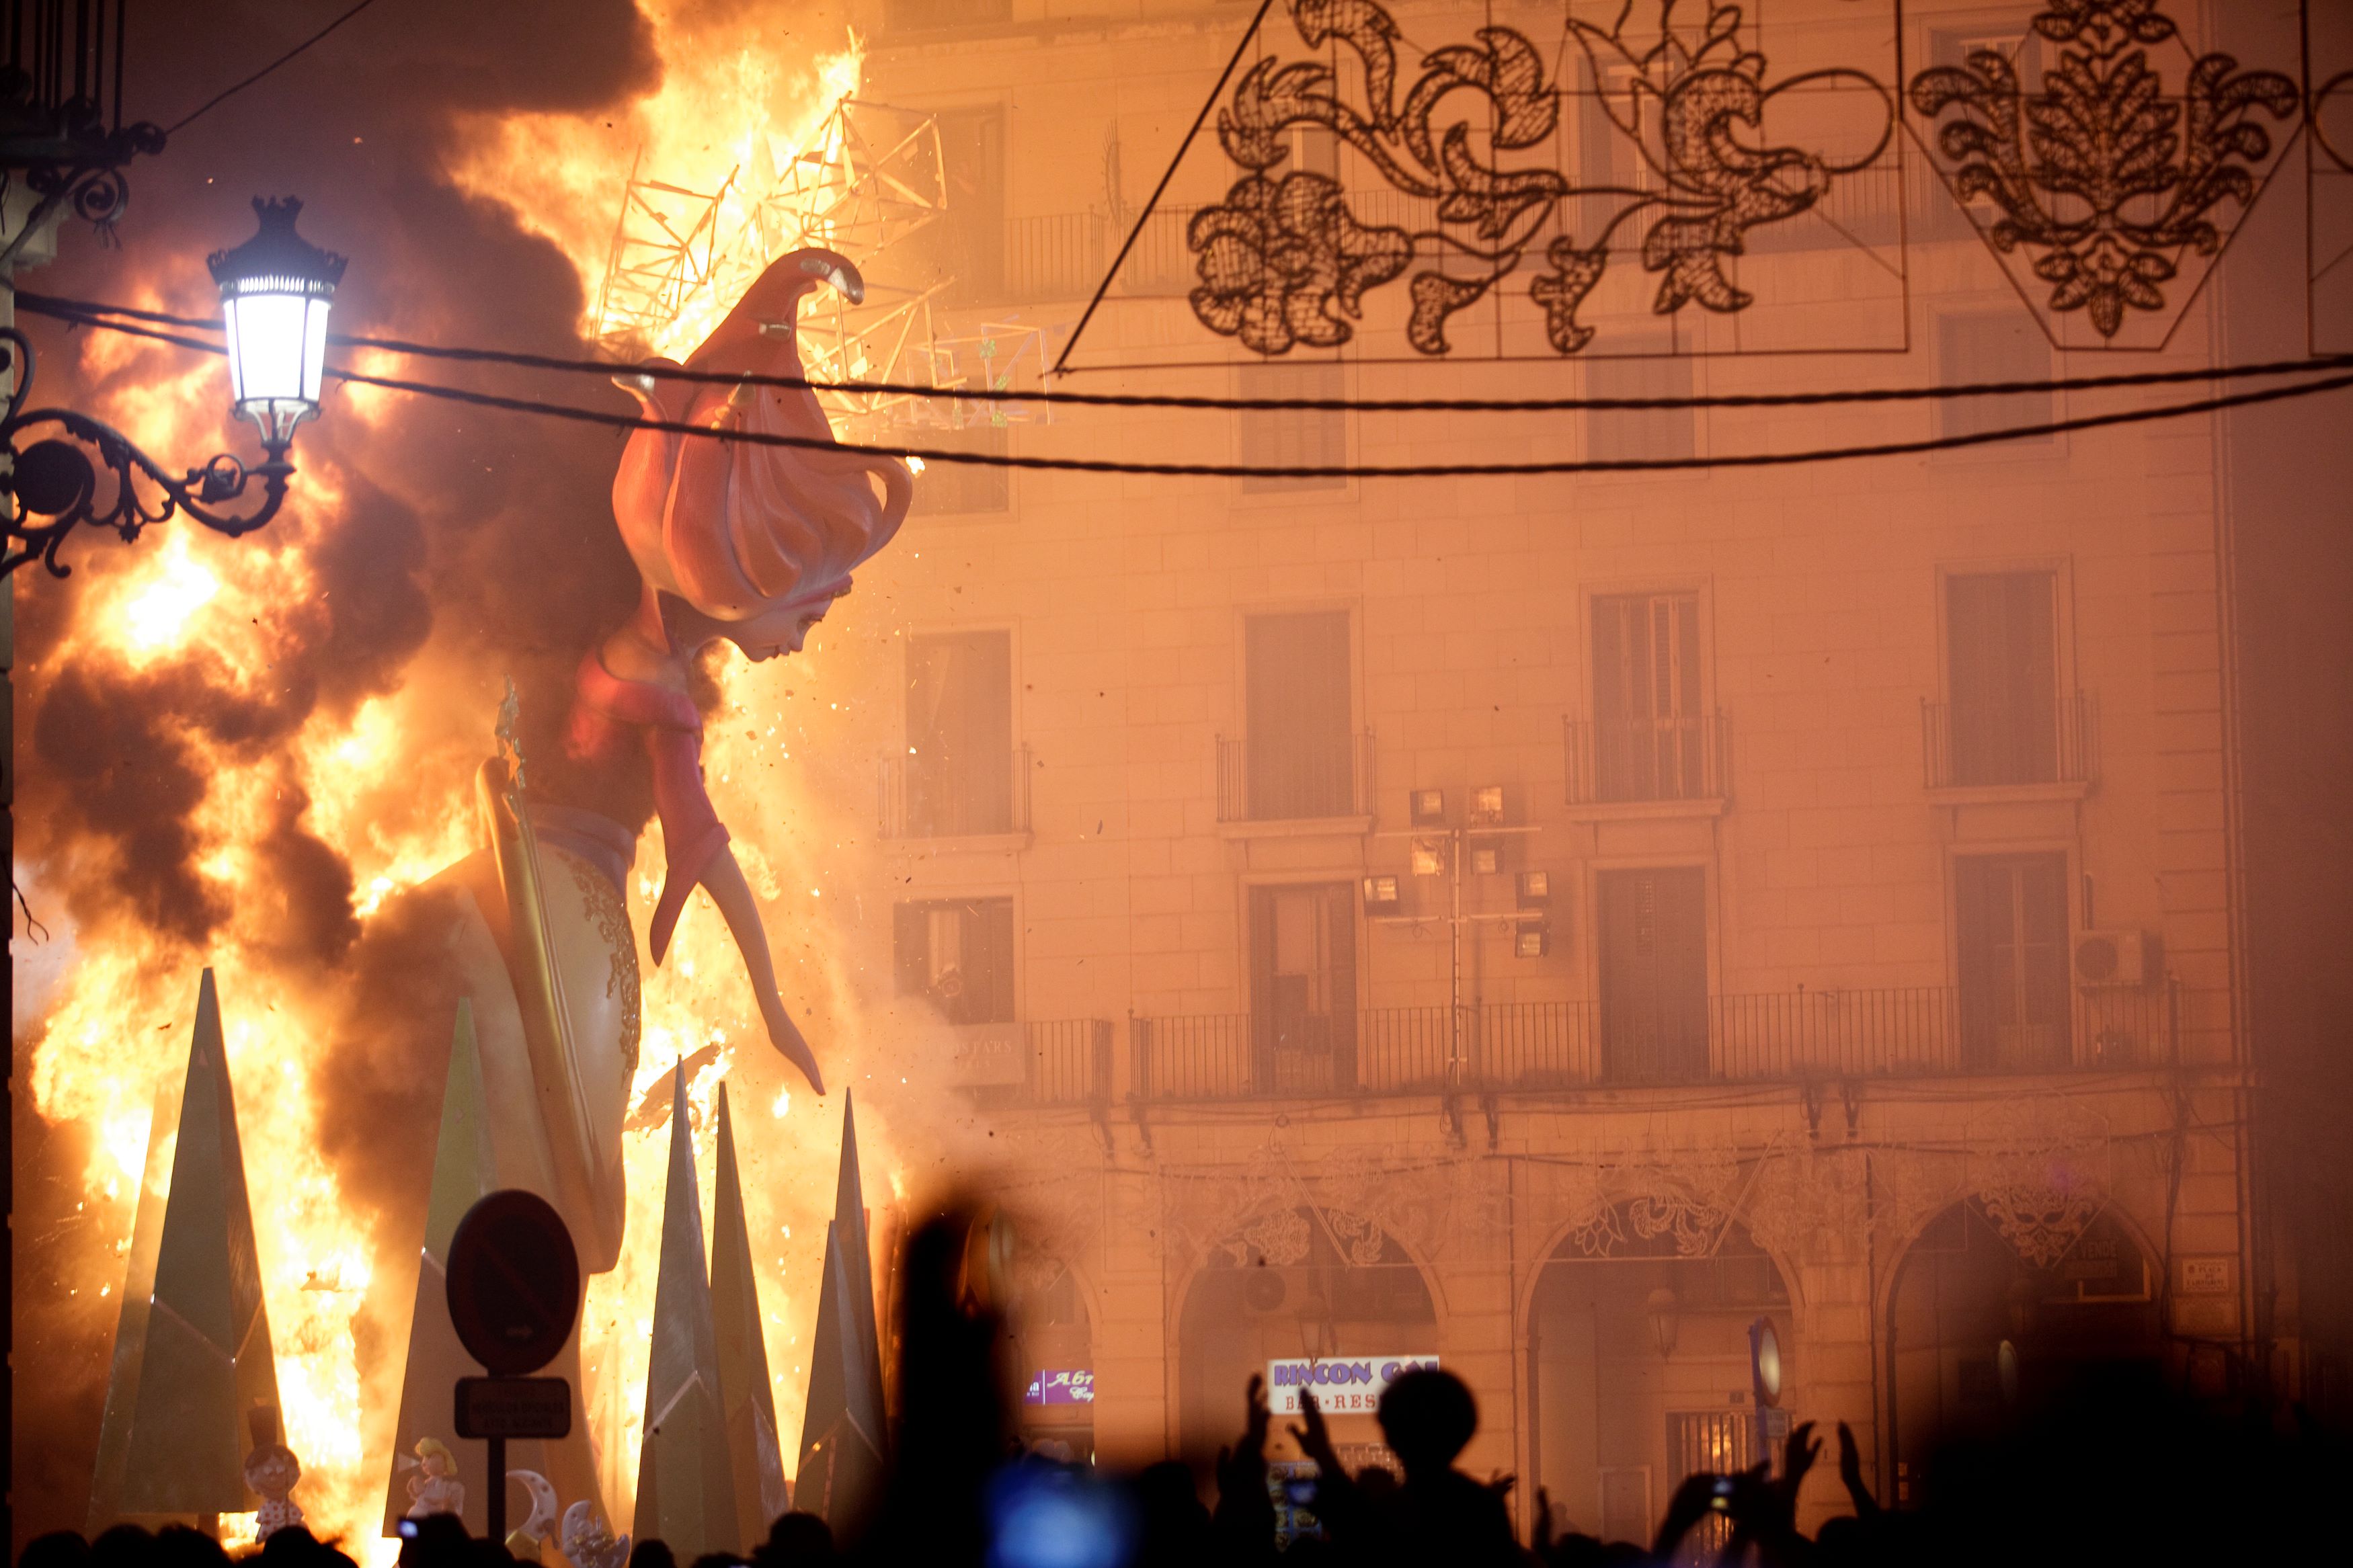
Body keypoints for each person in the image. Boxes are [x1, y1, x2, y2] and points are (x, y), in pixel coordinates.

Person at [1292, 1368, 1519, 1567]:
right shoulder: (1483, 1510)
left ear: (1393, 1436)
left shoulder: (1393, 1513)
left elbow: (1360, 1529)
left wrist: (1323, 1454)